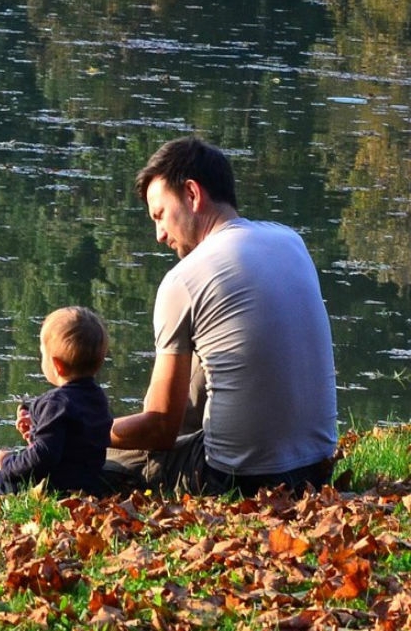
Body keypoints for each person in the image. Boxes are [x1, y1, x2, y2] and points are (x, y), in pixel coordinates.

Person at [102, 136, 338, 496]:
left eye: (160, 215)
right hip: (317, 470)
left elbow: (160, 429)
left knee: (104, 458)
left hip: (239, 480)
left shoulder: (184, 279)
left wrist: (86, 429)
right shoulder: (291, 241)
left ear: (192, 194)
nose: (159, 234)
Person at [0, 306, 114, 496]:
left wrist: (6, 463)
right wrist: (35, 429)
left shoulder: (55, 402)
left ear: (57, 365)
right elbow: (71, 442)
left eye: (42, 354)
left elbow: (43, 456)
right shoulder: (98, 399)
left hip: (50, 488)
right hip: (87, 486)